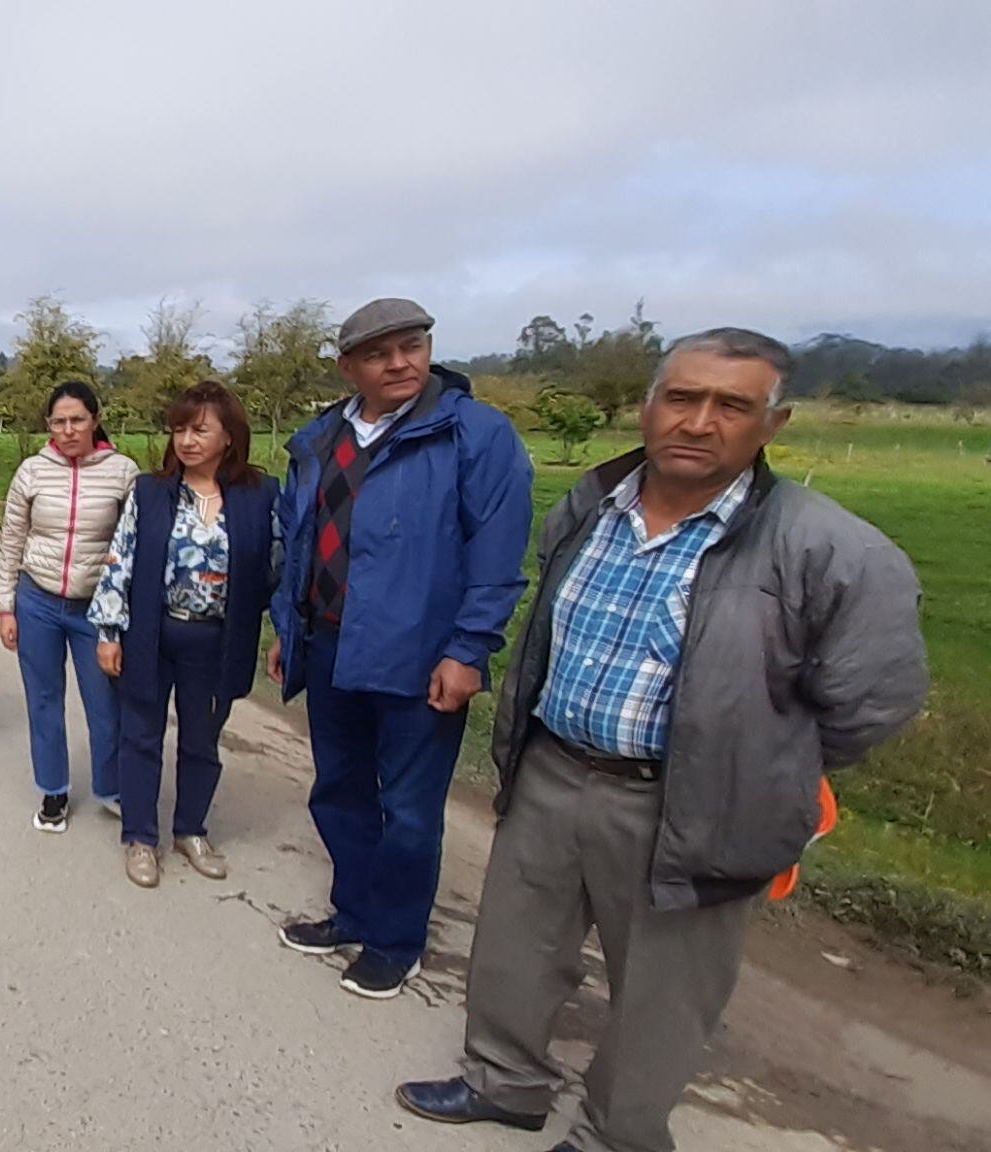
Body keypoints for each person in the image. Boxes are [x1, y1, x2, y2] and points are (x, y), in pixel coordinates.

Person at [396, 329, 927, 1152]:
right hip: (553, 770)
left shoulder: (830, 549)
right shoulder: (592, 505)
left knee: (663, 989)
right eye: (682, 398)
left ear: (772, 425)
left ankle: (617, 1133)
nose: (700, 421)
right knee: (516, 950)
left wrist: (765, 770)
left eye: (731, 406)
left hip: (689, 802)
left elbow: (872, 698)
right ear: (649, 407)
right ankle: (505, 1083)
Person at [269, 298, 535, 1000]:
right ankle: (352, 913)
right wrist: (287, 629)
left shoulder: (474, 435)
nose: (401, 363)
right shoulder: (321, 437)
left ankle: (395, 941)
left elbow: (498, 554)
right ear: (348, 366)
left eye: (412, 346)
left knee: (410, 808)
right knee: (339, 790)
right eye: (381, 354)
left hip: (419, 655)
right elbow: (297, 540)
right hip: (328, 644)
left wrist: (468, 650)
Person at [90, 381, 279, 887]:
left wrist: (283, 631)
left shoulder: (260, 497)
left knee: (202, 741)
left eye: (200, 429)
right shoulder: (151, 493)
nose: (187, 440)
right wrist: (109, 631)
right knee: (141, 737)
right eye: (179, 429)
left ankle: (191, 830)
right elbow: (118, 561)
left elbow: (279, 573)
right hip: (152, 634)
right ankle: (140, 838)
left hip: (217, 641)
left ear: (229, 436)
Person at [0, 381, 137, 833]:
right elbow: (11, 539)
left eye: (77, 419)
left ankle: (112, 787)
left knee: (105, 703)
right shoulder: (32, 471)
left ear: (95, 419)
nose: (68, 430)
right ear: (48, 425)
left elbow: (133, 546)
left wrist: (120, 615)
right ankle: (53, 789)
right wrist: (5, 607)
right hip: (36, 599)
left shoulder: (122, 472)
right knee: (43, 698)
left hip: (96, 608)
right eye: (59, 421)